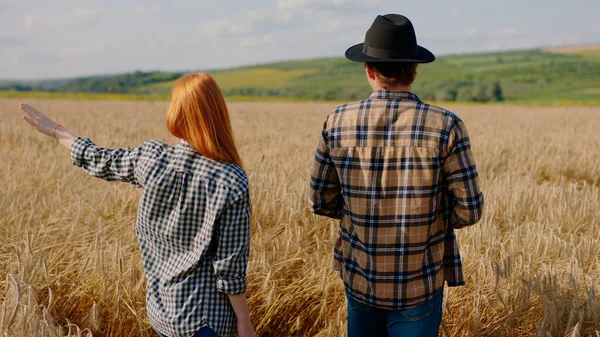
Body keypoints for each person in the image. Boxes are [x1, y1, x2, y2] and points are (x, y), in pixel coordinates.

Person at [18, 73, 256, 337]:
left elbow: (99, 158)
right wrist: (244, 322)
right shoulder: (231, 179)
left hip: (162, 315)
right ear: (219, 114)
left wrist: (57, 131)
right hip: (205, 321)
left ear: (177, 113)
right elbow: (229, 265)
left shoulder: (152, 159)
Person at [308, 14, 484, 337]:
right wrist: (428, 220)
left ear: (368, 69)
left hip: (360, 277)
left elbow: (320, 200)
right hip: (419, 283)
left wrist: (360, 216)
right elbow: (469, 210)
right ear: (414, 69)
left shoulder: (336, 123)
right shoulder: (447, 126)